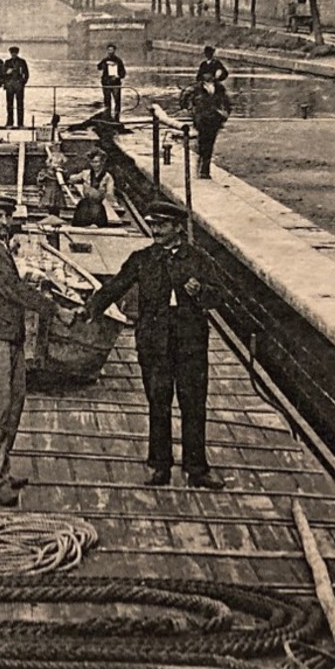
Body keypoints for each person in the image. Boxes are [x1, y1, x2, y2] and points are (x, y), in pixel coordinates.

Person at [79, 202, 225, 490]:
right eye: (153, 224)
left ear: (178, 227)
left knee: (193, 404)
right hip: (154, 342)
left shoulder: (198, 259)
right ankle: (160, 466)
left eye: (162, 225)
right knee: (158, 403)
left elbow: (219, 297)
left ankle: (197, 468)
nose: (155, 230)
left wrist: (201, 292)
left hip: (190, 343)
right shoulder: (142, 259)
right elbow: (115, 287)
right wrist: (89, 310)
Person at [0, 195, 74, 507]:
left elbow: (13, 282)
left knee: (13, 405)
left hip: (10, 336)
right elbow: (11, 289)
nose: (4, 221)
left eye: (7, 216)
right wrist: (56, 309)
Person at [67, 148, 118, 228]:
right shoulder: (85, 173)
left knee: (96, 218)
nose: (94, 165)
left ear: (102, 162)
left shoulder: (107, 177)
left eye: (96, 162)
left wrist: (110, 198)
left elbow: (110, 193)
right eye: (92, 162)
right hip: (84, 206)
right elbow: (72, 179)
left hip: (97, 207)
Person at [192, 77, 232, 179]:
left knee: (209, 144)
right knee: (202, 143)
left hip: (214, 120)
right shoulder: (197, 88)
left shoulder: (219, 88)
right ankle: (201, 165)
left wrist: (224, 114)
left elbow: (227, 103)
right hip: (202, 120)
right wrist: (194, 113)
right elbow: (188, 101)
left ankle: (205, 170)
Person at [97, 43, 127, 121]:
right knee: (107, 100)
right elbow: (99, 67)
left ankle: (117, 117)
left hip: (115, 83)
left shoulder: (118, 61)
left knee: (117, 100)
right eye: (109, 50)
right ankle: (107, 116)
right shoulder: (105, 60)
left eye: (112, 50)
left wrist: (118, 76)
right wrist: (103, 65)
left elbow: (123, 73)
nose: (110, 51)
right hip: (106, 83)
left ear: (114, 51)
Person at [1, 46, 29, 128]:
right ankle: (10, 122)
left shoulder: (22, 62)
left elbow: (26, 74)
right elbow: (3, 74)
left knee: (20, 104)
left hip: (19, 85)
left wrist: (23, 82)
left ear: (17, 53)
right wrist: (6, 81)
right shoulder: (7, 62)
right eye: (12, 53)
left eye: (15, 53)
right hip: (10, 85)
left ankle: (20, 123)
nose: (13, 54)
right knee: (9, 104)